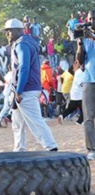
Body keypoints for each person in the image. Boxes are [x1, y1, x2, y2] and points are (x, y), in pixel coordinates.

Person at [1, 18, 58, 152]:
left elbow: (24, 67)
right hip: (25, 88)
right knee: (17, 122)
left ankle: (51, 147)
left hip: (25, 89)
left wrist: (19, 90)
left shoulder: (22, 44)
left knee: (35, 121)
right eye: (6, 32)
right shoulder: (28, 43)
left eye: (10, 31)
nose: (7, 34)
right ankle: (19, 149)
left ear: (19, 30)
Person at [76, 10, 95, 161]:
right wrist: (80, 43)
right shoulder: (85, 37)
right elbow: (80, 61)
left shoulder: (92, 37)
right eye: (90, 19)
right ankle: (92, 149)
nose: (91, 21)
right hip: (89, 79)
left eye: (94, 19)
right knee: (88, 117)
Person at [58, 61, 84, 125]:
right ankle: (79, 122)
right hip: (79, 95)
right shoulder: (80, 73)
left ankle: (62, 115)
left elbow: (61, 77)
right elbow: (81, 84)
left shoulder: (75, 73)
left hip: (73, 93)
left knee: (71, 108)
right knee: (84, 109)